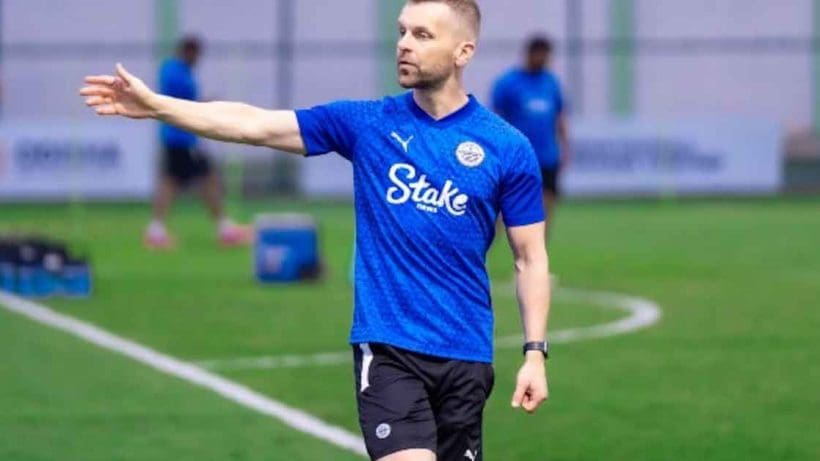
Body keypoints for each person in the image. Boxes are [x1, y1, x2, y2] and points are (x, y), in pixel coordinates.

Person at [80, 1, 551, 460]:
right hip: (390, 348)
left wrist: (534, 353)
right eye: (402, 31)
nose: (405, 44)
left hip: (467, 353)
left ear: (463, 52)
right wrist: (158, 105)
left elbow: (529, 257)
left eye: (423, 35)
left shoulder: (507, 148)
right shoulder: (367, 123)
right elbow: (253, 124)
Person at [145, 36, 250, 249]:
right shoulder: (178, 74)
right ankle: (224, 229)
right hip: (183, 138)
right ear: (189, 52)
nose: (198, 60)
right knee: (206, 179)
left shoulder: (172, 69)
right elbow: (184, 105)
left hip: (177, 136)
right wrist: (210, 106)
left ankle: (156, 231)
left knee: (172, 182)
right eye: (196, 55)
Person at [491, 36, 570, 246]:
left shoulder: (551, 83)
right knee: (502, 209)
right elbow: (495, 118)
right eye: (539, 54)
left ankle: (536, 262)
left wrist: (565, 147)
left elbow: (559, 117)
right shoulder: (509, 83)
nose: (542, 59)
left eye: (546, 55)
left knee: (546, 209)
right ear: (529, 54)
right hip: (517, 157)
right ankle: (479, 257)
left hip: (546, 157)